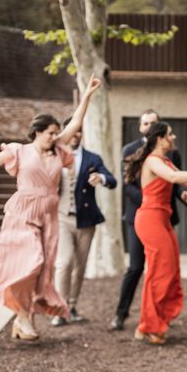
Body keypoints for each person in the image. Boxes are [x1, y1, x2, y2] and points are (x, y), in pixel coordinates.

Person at [0, 76, 101, 341]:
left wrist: (87, 94)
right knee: (32, 261)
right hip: (23, 212)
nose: (56, 136)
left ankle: (25, 319)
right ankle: (21, 316)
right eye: (51, 133)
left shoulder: (58, 151)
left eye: (57, 133)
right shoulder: (18, 151)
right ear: (37, 132)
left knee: (41, 271)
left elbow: (76, 122)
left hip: (48, 214)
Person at [124, 122, 187, 345]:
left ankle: (147, 325)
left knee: (166, 269)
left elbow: (185, 181)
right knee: (161, 270)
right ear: (159, 138)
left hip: (162, 218)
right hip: (149, 218)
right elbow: (173, 178)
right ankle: (150, 326)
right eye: (170, 134)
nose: (174, 137)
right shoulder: (152, 161)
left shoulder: (165, 161)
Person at [110, 109, 187, 331]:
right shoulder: (129, 151)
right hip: (142, 215)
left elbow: (174, 181)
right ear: (140, 127)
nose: (148, 126)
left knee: (165, 267)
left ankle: (160, 315)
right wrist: (148, 203)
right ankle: (121, 314)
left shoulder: (170, 153)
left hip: (162, 216)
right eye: (145, 123)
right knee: (136, 267)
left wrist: (184, 195)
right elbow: (128, 186)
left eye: (153, 123)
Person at [51, 117, 117, 327]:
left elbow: (112, 181)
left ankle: (71, 306)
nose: (76, 135)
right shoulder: (55, 156)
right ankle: (59, 310)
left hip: (87, 221)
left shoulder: (92, 158)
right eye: (73, 131)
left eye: (80, 131)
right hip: (61, 218)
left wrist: (101, 178)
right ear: (66, 133)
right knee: (64, 263)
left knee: (80, 267)